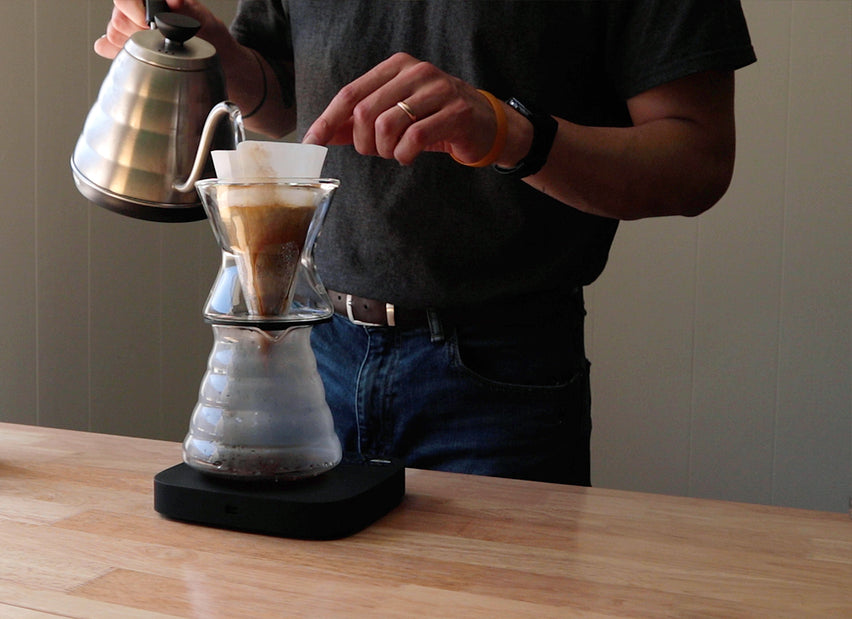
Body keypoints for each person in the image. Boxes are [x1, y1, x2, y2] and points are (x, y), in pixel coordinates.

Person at [96, 1, 756, 485]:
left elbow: (697, 161)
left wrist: (506, 131)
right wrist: (225, 59)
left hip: (500, 376)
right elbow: (286, 98)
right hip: (314, 354)